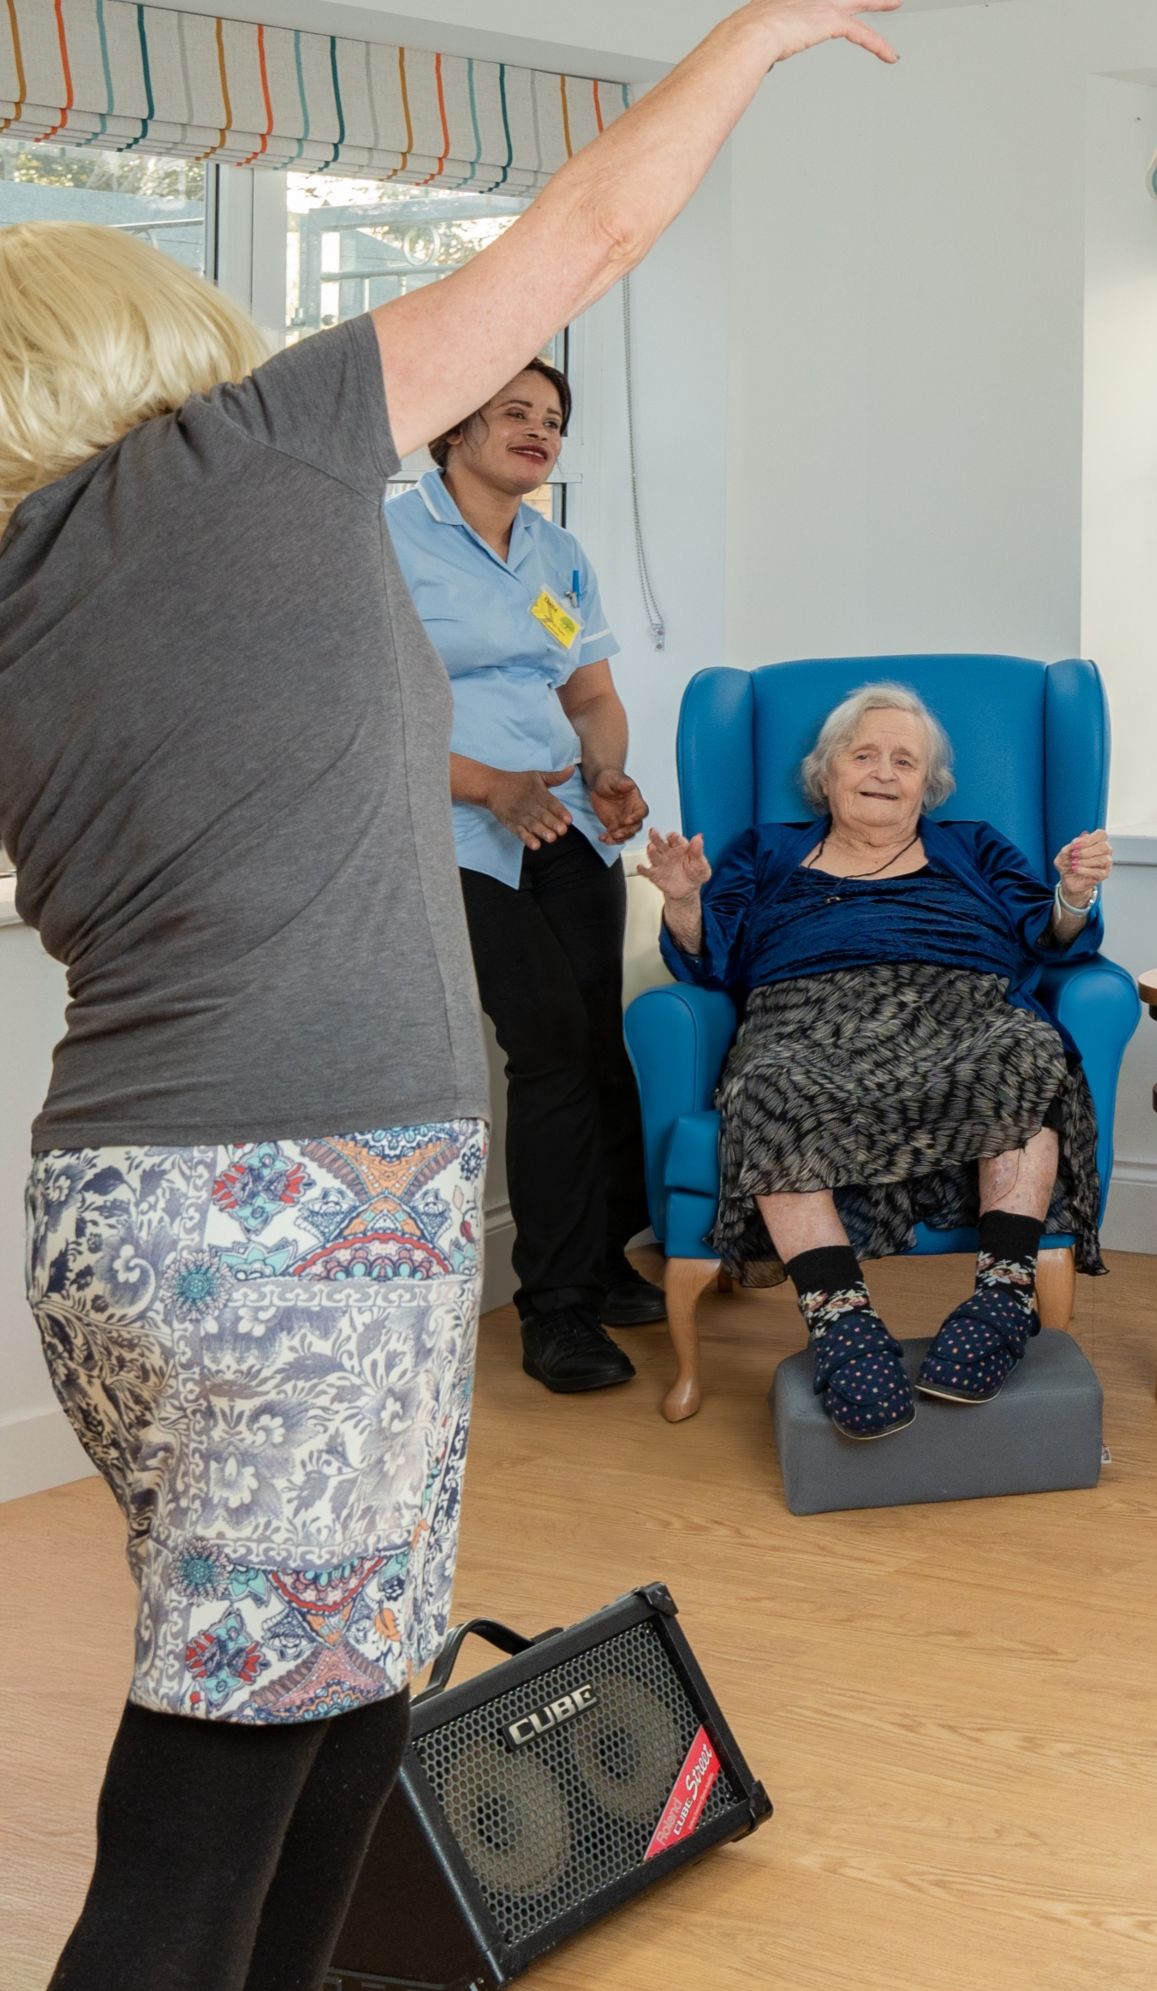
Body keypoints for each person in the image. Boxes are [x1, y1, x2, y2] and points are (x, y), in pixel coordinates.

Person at [0, 6, 901, 1991]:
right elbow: (583, 230)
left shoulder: (19, 590)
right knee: (213, 1795)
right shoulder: (248, 458)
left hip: (146, 1217)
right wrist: (756, 35)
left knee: (332, 1712)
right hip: (297, 1215)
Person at [642, 683, 1112, 1441]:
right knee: (765, 1085)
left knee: (1029, 1051)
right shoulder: (766, 850)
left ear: (930, 786)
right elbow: (710, 963)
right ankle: (842, 1328)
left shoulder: (973, 845)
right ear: (825, 773)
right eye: (864, 755)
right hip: (807, 1021)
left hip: (961, 1014)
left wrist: (1075, 894)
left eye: (905, 761)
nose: (884, 772)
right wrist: (682, 903)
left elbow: (1048, 935)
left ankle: (1002, 1298)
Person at [389, 357, 664, 1394]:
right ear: (454, 428)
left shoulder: (558, 551)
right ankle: (554, 1313)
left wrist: (608, 773)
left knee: (599, 1041)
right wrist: (486, 786)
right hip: (449, 836)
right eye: (515, 413)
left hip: (565, 828)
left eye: (552, 419)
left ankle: (600, 1255)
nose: (539, 430)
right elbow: (366, 713)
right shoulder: (389, 542)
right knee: (545, 1040)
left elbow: (591, 693)